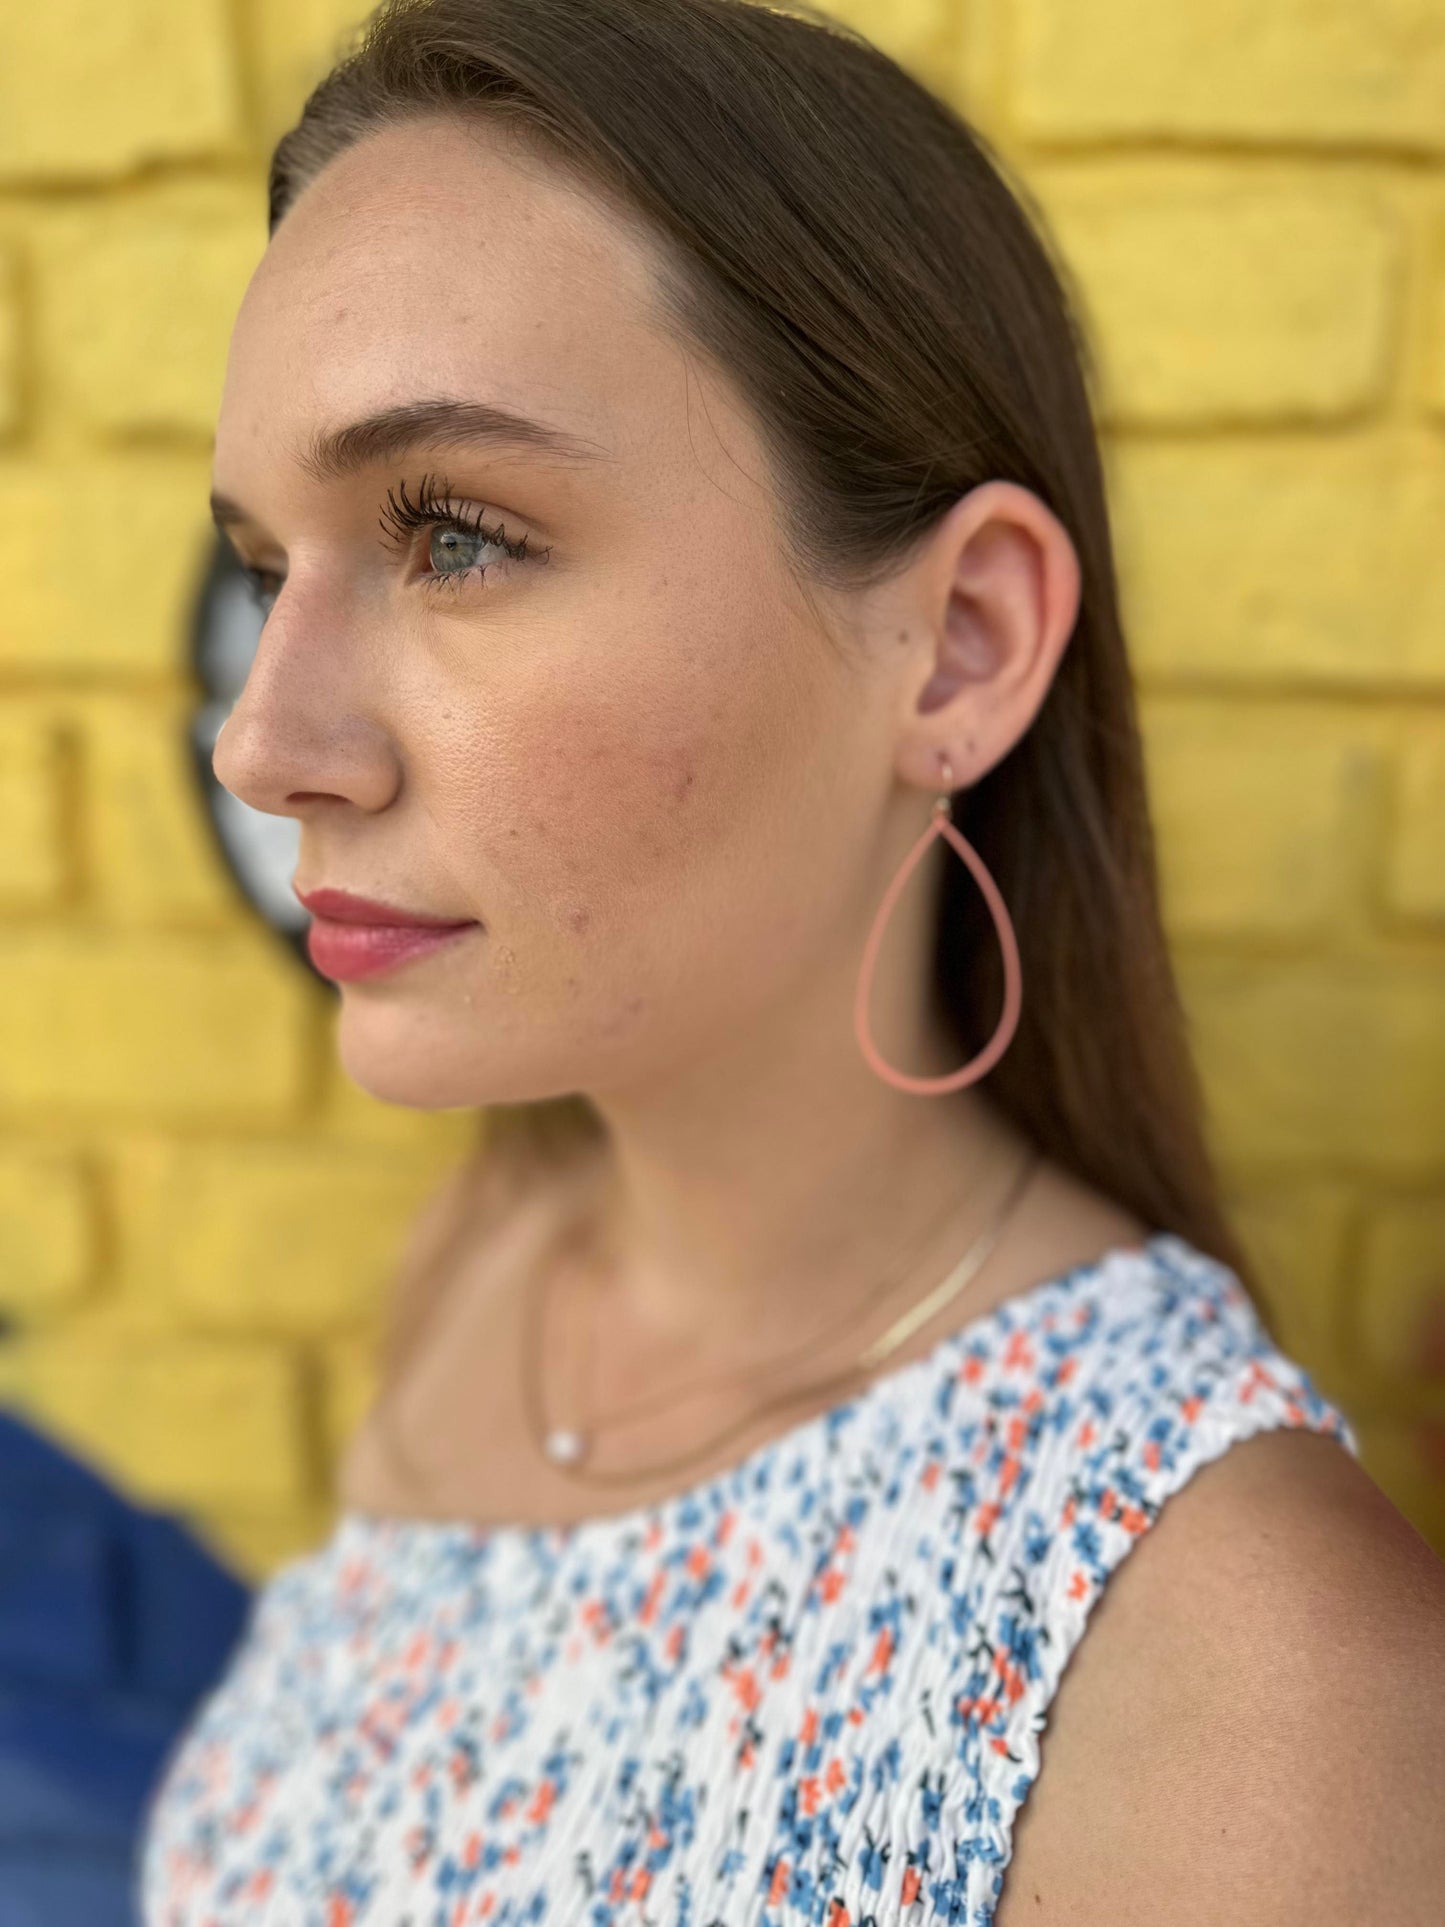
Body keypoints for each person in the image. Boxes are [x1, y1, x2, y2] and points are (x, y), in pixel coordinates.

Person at [136, 1, 1445, 1921]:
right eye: (271, 569)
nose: (261, 744)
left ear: (962, 646)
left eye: (459, 537)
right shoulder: (493, 1256)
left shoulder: (1247, 1688)